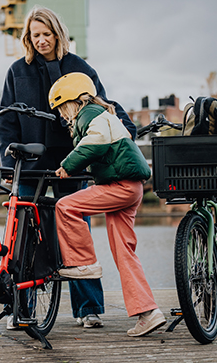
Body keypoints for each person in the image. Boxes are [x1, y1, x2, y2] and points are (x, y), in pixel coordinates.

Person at [0, 6, 136, 329]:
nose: (42, 40)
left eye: (47, 34)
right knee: (22, 232)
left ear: (58, 35)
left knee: (79, 229)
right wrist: (9, 163)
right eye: (36, 35)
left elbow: (102, 106)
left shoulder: (79, 68)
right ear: (28, 38)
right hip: (29, 163)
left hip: (72, 161)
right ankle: (21, 307)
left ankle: (88, 308)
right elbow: (7, 121)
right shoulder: (17, 71)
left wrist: (126, 129)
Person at [48, 72, 166, 337]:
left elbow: (97, 142)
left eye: (62, 108)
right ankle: (148, 312)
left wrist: (67, 165)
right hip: (131, 187)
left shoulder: (89, 113)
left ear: (76, 100)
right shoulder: (107, 114)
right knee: (125, 253)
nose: (62, 116)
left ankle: (83, 263)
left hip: (119, 187)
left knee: (65, 207)